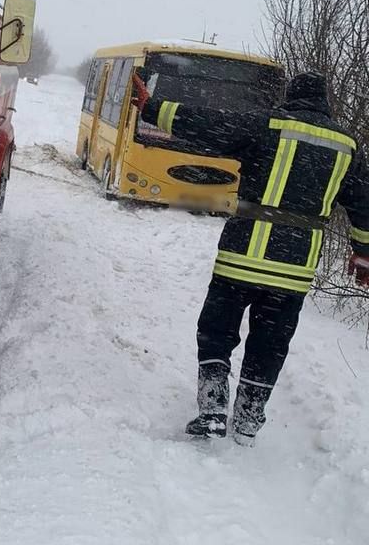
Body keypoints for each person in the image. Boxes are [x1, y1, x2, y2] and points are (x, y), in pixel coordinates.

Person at [131, 70, 369, 446]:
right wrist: (363, 255)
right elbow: (364, 205)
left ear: (291, 97)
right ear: (325, 103)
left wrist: (153, 108)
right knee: (270, 344)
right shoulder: (347, 146)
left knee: (216, 331)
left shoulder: (266, 125)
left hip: (240, 259)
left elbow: (208, 125)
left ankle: (212, 411)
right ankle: (247, 422)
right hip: (293, 270)